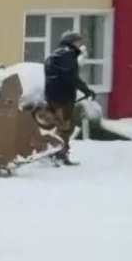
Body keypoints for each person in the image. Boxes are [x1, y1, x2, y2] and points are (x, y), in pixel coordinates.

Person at [42, 30, 94, 165]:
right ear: (72, 42)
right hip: (63, 97)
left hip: (52, 95)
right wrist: (86, 90)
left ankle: (57, 153)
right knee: (65, 126)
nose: (80, 45)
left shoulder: (55, 54)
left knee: (61, 125)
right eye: (78, 42)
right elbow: (71, 77)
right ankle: (56, 154)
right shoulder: (68, 55)